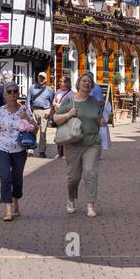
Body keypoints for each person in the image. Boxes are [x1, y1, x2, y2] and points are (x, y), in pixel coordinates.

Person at [53, 72, 104, 217]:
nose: (87, 83)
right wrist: (69, 114)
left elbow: (99, 119)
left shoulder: (94, 101)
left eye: (89, 82)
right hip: (73, 144)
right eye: (84, 81)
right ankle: (71, 199)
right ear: (78, 84)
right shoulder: (69, 101)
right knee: (73, 177)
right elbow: (56, 119)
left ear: (92, 85)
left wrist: (103, 121)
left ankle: (90, 205)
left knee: (90, 173)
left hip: (92, 143)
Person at [0, 82, 34, 222]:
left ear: (18, 94)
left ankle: (16, 202)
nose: (13, 94)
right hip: (3, 148)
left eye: (15, 91)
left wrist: (28, 122)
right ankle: (8, 210)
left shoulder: (24, 110)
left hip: (19, 148)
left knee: (17, 179)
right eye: (10, 92)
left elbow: (35, 128)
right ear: (5, 95)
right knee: (6, 177)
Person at [28, 71, 54, 158]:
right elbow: (28, 101)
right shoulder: (32, 88)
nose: (41, 79)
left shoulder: (49, 90)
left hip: (44, 112)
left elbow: (52, 102)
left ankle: (42, 151)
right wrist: (29, 112)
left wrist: (49, 111)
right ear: (37, 78)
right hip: (34, 111)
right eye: (40, 77)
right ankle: (30, 149)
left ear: (46, 79)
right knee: (32, 131)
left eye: (43, 78)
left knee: (43, 132)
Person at [51, 73, 73, 158]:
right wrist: (56, 104)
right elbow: (53, 101)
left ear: (66, 83)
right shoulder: (58, 91)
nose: (59, 83)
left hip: (66, 116)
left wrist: (61, 106)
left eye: (61, 81)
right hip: (58, 115)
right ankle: (59, 153)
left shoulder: (71, 93)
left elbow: (72, 105)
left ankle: (66, 153)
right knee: (58, 134)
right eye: (59, 81)